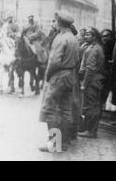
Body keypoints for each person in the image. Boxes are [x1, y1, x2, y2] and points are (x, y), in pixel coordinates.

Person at [39, 10, 80, 152]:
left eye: (55, 21)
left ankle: (54, 144)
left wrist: (48, 76)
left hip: (58, 77)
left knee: (50, 110)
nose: (54, 24)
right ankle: (65, 142)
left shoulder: (60, 38)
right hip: (70, 77)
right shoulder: (74, 38)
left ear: (60, 23)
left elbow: (54, 61)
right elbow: (77, 60)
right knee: (65, 110)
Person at [78, 27, 105, 139]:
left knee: (91, 106)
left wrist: (84, 84)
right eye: (85, 34)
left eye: (88, 34)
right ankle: (90, 129)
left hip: (91, 81)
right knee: (93, 105)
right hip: (95, 80)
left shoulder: (94, 49)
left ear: (94, 37)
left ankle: (91, 131)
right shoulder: (95, 47)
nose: (85, 36)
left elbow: (90, 68)